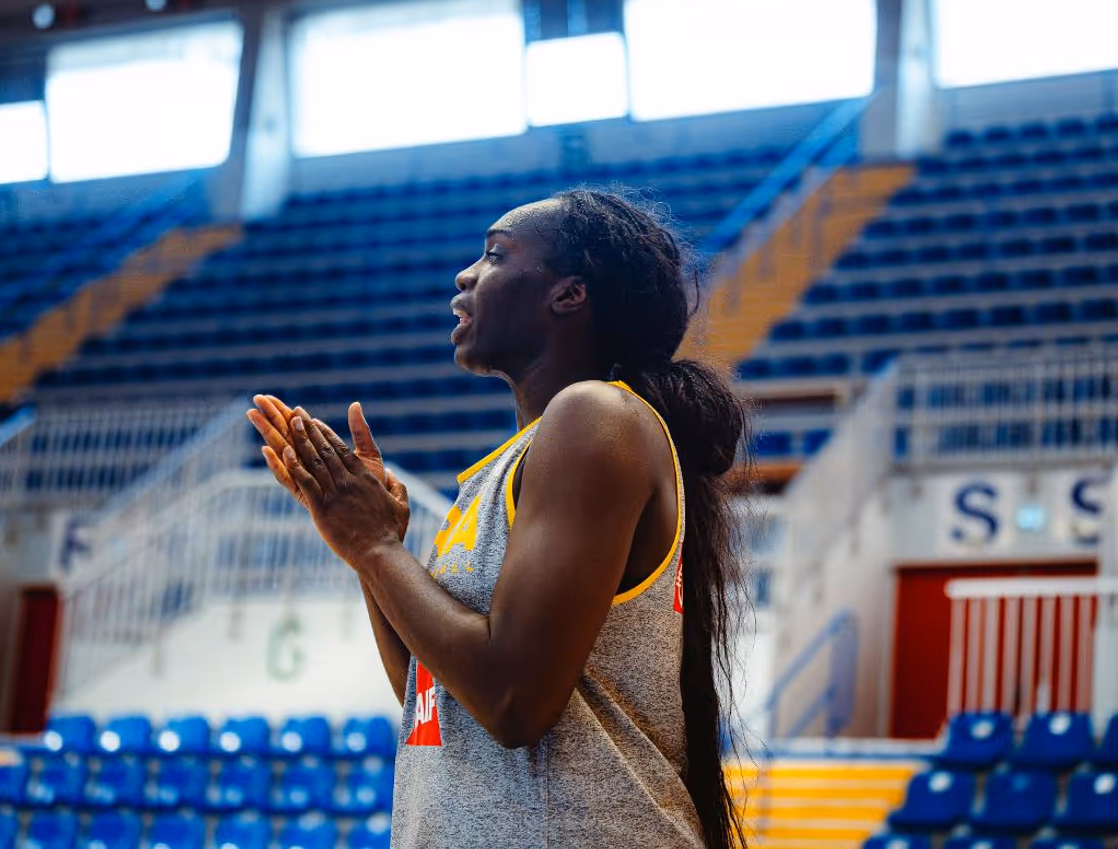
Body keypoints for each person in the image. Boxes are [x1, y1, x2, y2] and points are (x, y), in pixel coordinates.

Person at [247, 188, 750, 848]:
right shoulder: (514, 465)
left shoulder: (596, 418)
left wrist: (373, 545)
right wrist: (372, 547)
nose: (465, 273)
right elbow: (436, 701)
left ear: (568, 294)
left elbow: (514, 701)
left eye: (494, 254)